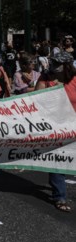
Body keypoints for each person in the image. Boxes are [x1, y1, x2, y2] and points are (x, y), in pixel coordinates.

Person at [35, 52, 76, 212]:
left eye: (57, 64)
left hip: (73, 124)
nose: (52, 66)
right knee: (58, 161)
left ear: (66, 66)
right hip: (55, 127)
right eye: (52, 63)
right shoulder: (46, 79)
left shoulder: (74, 79)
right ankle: (60, 196)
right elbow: (36, 101)